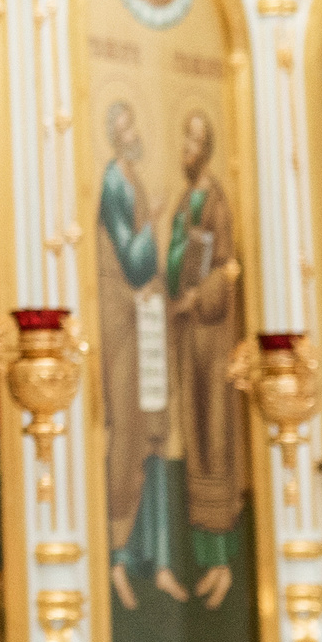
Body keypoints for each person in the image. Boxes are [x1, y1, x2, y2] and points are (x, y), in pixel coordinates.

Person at [96, 100, 180, 611]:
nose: (133, 134)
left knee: (154, 433)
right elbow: (131, 258)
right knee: (126, 433)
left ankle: (163, 563)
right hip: (121, 318)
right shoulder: (113, 182)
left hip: (146, 317)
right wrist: (161, 218)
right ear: (114, 136)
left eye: (133, 124)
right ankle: (119, 561)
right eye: (123, 127)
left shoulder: (132, 177)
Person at [166, 110, 244, 609]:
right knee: (196, 445)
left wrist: (199, 298)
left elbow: (228, 268)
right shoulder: (182, 200)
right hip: (186, 335)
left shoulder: (216, 200)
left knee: (216, 443)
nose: (189, 149)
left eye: (197, 141)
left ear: (208, 149)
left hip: (212, 339)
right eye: (186, 139)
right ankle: (206, 559)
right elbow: (178, 254)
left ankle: (224, 565)